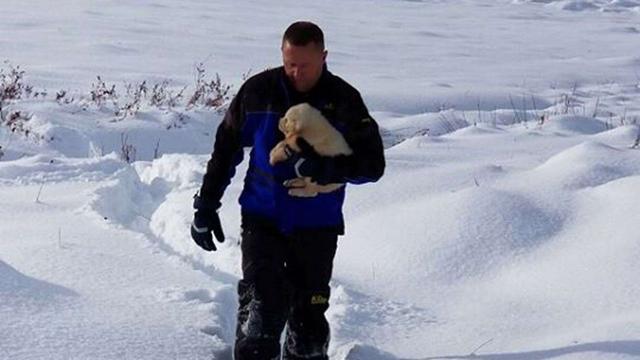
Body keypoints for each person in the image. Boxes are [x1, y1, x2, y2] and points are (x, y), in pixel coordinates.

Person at [191, 21, 385, 360]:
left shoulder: (344, 100)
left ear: (324, 57)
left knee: (308, 328)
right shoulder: (259, 92)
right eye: (289, 63)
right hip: (262, 217)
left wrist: (326, 168)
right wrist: (206, 205)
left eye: (305, 65)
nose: (296, 73)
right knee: (261, 315)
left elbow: (372, 166)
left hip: (317, 224)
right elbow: (226, 149)